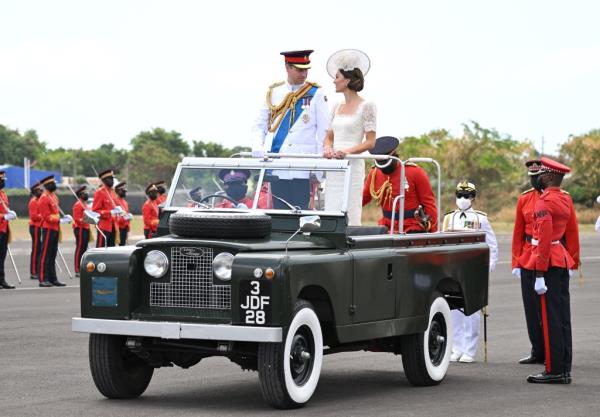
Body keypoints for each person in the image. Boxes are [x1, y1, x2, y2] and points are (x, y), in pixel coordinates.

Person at [511, 160, 579, 365]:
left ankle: (554, 357)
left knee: (551, 312)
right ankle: (538, 350)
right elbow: (518, 232)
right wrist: (516, 261)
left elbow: (572, 231)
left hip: (550, 258)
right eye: (531, 176)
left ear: (545, 176)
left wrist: (573, 261)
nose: (533, 180)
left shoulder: (561, 198)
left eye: (537, 175)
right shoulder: (525, 199)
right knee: (531, 310)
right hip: (528, 257)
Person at [251, 50, 329, 209]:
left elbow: (324, 132)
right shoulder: (273, 93)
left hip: (302, 167)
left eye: (306, 69)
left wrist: (320, 168)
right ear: (287, 67)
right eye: (300, 69)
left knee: (300, 213)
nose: (304, 73)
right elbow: (259, 125)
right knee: (279, 213)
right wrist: (257, 146)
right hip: (277, 164)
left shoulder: (316, 93)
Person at [443, 180, 498, 363]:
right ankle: (456, 347)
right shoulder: (448, 217)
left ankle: (469, 349)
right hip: (452, 269)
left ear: (473, 198)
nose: (462, 199)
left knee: (471, 311)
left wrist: (488, 267)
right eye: (459, 196)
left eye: (466, 196)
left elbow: (491, 244)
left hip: (473, 269)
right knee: (453, 310)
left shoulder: (480, 218)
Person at [323, 49, 376, 225]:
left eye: (336, 77)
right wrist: (328, 148)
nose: (333, 80)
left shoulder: (367, 105)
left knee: (350, 209)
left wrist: (347, 151)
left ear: (346, 80)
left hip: (352, 165)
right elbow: (329, 136)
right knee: (331, 207)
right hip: (334, 166)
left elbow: (370, 142)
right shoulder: (336, 105)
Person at [362, 136, 438, 233]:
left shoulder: (415, 172)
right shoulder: (374, 173)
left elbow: (429, 204)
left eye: (385, 162)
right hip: (387, 227)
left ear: (394, 156)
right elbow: (363, 198)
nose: (383, 168)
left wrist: (433, 232)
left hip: (413, 226)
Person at [37, 175, 71, 287]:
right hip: (48, 228)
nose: (54, 185)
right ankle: (43, 278)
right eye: (52, 183)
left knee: (53, 254)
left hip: (55, 228)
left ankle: (52, 278)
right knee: (45, 254)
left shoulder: (53, 196)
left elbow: (55, 212)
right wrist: (60, 220)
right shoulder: (43, 198)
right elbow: (46, 217)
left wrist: (63, 218)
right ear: (47, 185)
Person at [92, 169, 123, 247]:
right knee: (101, 249)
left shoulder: (112, 192)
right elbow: (95, 210)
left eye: (112, 178)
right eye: (110, 178)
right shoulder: (99, 192)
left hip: (113, 225)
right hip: (104, 226)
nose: (112, 180)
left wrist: (118, 211)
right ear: (104, 180)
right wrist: (110, 212)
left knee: (111, 250)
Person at [0, 170, 17, 289]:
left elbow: (5, 209)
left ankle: (1, 280)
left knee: (2, 256)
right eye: (1, 180)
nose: (2, 182)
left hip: (4, 228)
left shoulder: (3, 194)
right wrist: (3, 216)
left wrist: (10, 213)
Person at [72, 185, 91, 277]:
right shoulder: (78, 205)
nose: (86, 194)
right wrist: (86, 220)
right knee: (80, 248)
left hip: (86, 228)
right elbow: (77, 219)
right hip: (79, 228)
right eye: (84, 192)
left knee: (84, 248)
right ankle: (77, 269)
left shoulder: (85, 204)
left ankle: (82, 267)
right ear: (80, 194)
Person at [28, 181, 44, 280]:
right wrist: (44, 216)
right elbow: (34, 216)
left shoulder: (40, 200)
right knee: (36, 249)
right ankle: (33, 271)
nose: (41, 191)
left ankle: (38, 269)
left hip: (40, 226)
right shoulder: (33, 201)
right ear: (34, 191)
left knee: (39, 249)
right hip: (35, 227)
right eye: (39, 190)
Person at [114, 181, 133, 246]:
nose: (125, 192)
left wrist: (128, 217)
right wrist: (123, 217)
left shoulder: (125, 202)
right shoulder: (115, 200)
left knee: (123, 245)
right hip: (118, 226)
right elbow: (115, 214)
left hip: (125, 226)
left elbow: (126, 213)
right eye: (123, 191)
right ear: (118, 191)